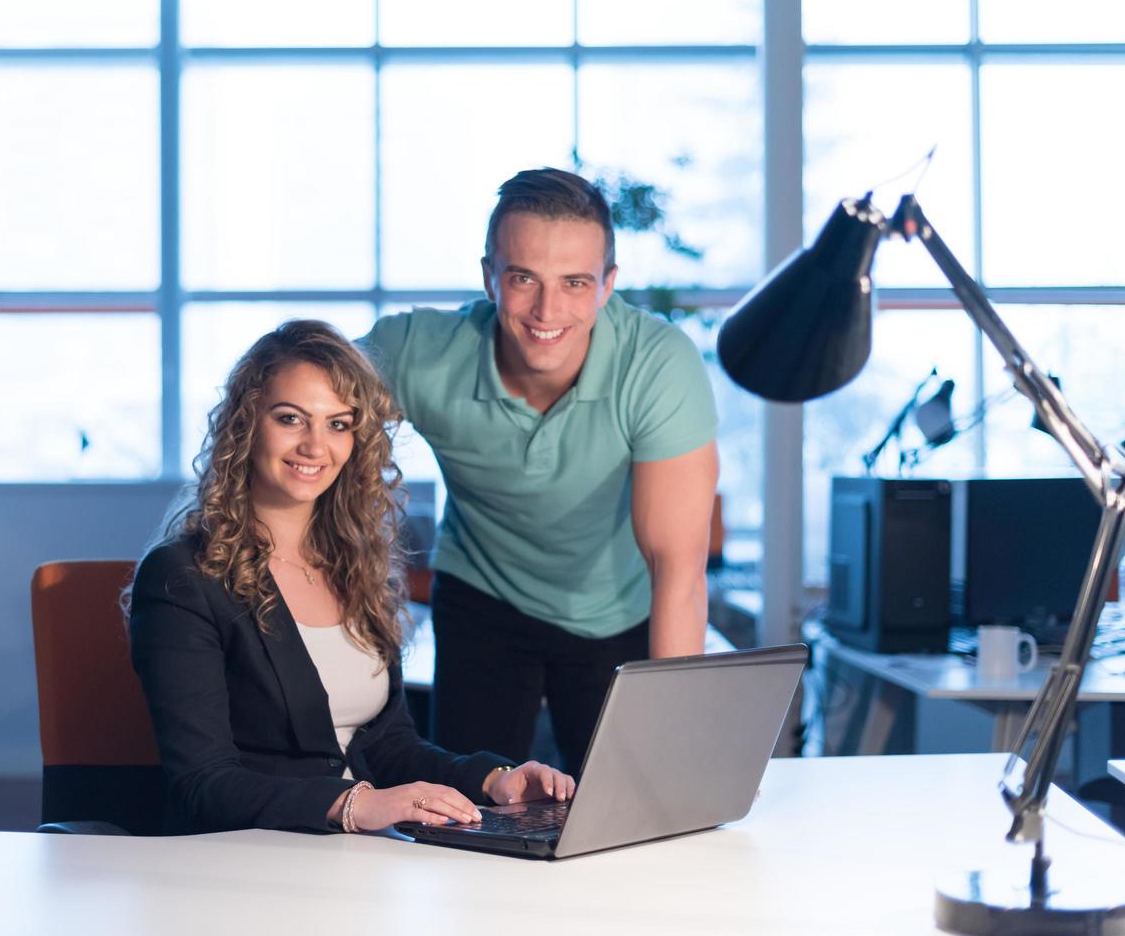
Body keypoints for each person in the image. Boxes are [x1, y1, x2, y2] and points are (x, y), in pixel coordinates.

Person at [128, 319, 573, 836]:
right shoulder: (183, 577)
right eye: (291, 418)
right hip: (251, 860)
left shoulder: (355, 565)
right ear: (247, 423)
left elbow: (388, 746)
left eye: (339, 424)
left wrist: (497, 779)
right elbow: (203, 783)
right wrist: (355, 805)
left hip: (360, 855)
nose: (316, 446)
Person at [361, 168, 719, 772]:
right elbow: (309, 428)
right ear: (489, 278)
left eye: (575, 282)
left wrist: (672, 746)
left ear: (608, 286)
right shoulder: (416, 353)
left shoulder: (657, 366)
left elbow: (678, 574)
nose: (547, 309)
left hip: (617, 606)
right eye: (523, 277)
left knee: (636, 806)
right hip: (484, 597)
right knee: (468, 815)